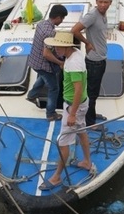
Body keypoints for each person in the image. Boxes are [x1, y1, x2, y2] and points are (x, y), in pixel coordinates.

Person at [39, 31, 92, 190]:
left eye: (57, 46)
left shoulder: (74, 64)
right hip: (79, 105)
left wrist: (72, 114)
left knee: (63, 142)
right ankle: (87, 162)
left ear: (65, 46)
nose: (55, 48)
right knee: (81, 131)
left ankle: (56, 177)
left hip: (74, 107)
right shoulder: (74, 55)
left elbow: (78, 89)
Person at [71, 0, 112, 127]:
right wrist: (87, 42)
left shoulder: (103, 15)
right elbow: (75, 30)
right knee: (91, 94)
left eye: (105, 2)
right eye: (100, 2)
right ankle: (90, 123)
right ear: (96, 1)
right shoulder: (92, 15)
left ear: (110, 3)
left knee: (93, 92)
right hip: (94, 62)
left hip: (101, 59)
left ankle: (90, 115)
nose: (102, 5)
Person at [25, 4, 68, 121]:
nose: (62, 21)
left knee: (43, 78)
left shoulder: (41, 24)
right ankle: (51, 114)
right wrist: (60, 62)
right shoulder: (50, 33)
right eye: (63, 18)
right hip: (44, 65)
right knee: (54, 88)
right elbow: (47, 54)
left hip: (34, 61)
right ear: (58, 17)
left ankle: (31, 95)